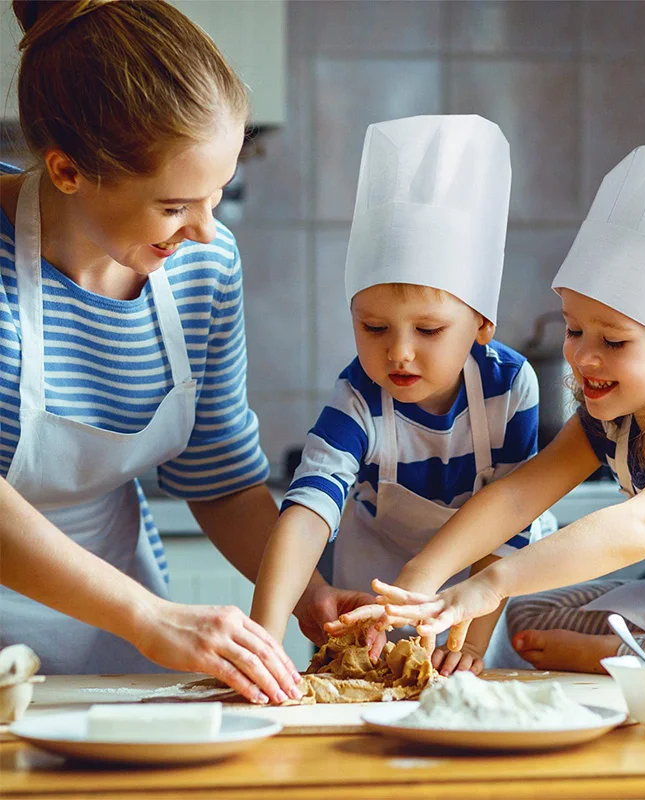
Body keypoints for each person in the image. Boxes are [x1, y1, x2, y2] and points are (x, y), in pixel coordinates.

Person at [0, 0, 371, 705]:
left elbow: (221, 479)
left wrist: (308, 595)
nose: (205, 229)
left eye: (218, 193)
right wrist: (150, 619)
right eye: (174, 206)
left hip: (115, 639)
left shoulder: (204, 265)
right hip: (123, 621)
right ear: (69, 171)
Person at [348, 140, 645, 699]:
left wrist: (491, 582)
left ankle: (633, 654)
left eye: (612, 340)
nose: (583, 357)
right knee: (533, 618)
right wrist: (421, 579)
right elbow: (517, 498)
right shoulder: (609, 421)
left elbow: (642, 525)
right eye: (574, 329)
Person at [251, 115, 556, 677]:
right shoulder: (359, 397)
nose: (399, 353)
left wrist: (469, 642)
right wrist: (263, 638)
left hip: (476, 594)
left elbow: (511, 520)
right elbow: (307, 511)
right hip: (372, 588)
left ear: (482, 324)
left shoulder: (510, 387)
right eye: (373, 327)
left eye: (430, 330)